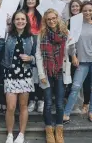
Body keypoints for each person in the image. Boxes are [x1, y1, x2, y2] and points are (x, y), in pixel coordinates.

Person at [0, 11, 36, 143]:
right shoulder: (7, 36)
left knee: (23, 106)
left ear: (26, 21)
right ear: (13, 21)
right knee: (10, 107)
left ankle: (21, 134)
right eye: (17, 19)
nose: (20, 21)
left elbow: (37, 58)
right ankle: (10, 134)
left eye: (22, 19)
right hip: (10, 75)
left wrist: (30, 58)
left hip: (25, 75)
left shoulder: (32, 37)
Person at [35, 9, 74, 143]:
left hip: (60, 71)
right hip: (46, 72)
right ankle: (49, 131)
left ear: (57, 18)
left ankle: (59, 131)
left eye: (53, 18)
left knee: (59, 103)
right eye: (48, 19)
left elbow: (69, 51)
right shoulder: (42, 34)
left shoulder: (65, 33)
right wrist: (41, 74)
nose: (51, 21)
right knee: (48, 103)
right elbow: (38, 55)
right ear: (45, 21)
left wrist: (72, 43)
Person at [65, 0, 92, 114]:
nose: (87, 12)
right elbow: (71, 42)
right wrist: (73, 55)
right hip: (81, 60)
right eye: (85, 10)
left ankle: (91, 111)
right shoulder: (75, 23)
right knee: (75, 87)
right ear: (81, 12)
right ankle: (66, 113)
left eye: (90, 11)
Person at [21, 0, 44, 113]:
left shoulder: (40, 13)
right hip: (27, 42)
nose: (30, 1)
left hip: (39, 42)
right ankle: (32, 100)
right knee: (29, 73)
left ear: (36, 0)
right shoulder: (22, 13)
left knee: (38, 71)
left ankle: (40, 99)